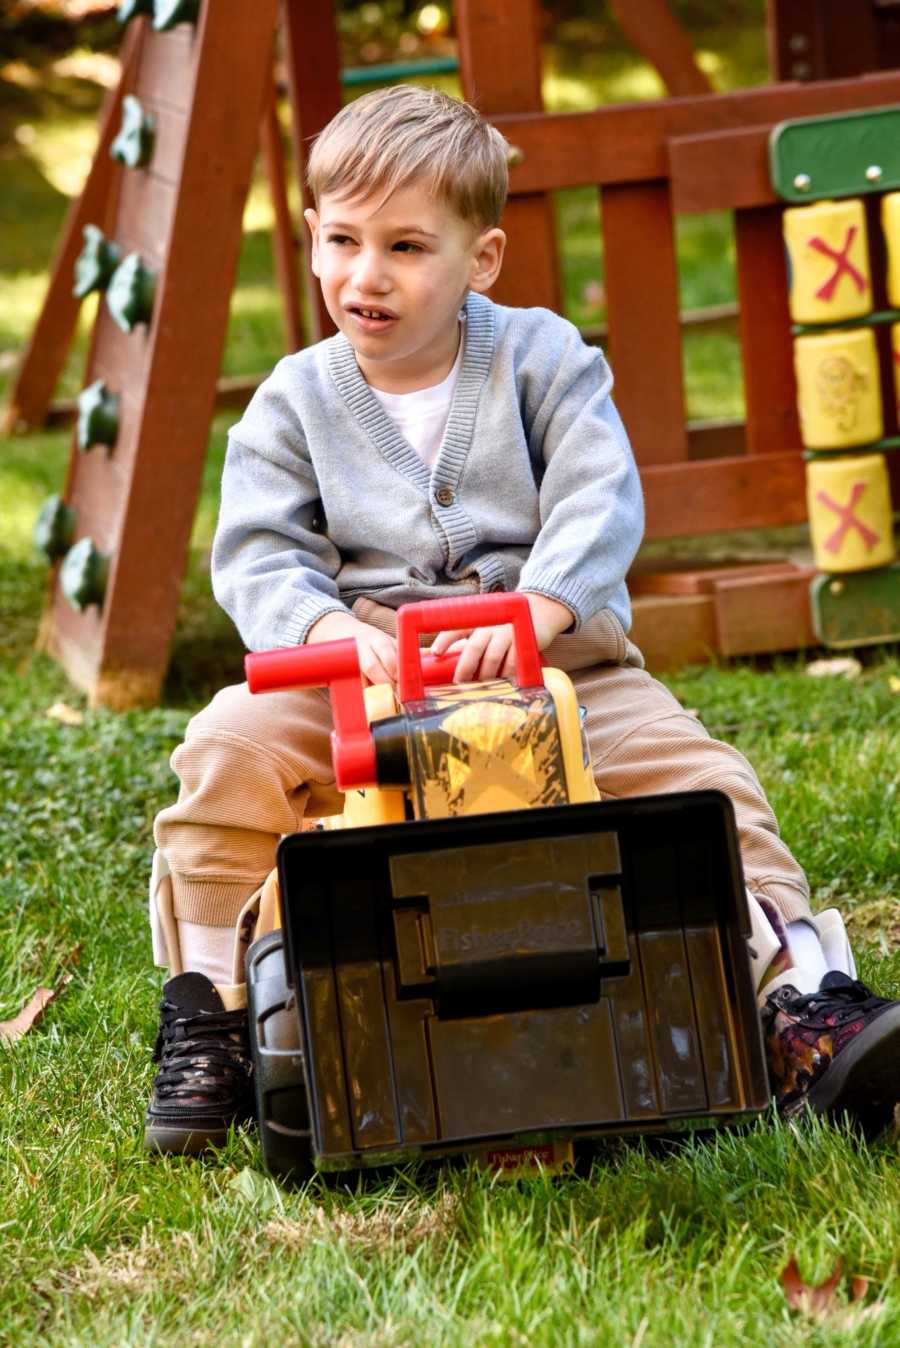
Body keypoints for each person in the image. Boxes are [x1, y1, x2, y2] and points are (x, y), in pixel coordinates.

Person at [144, 85, 900, 1154]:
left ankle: (798, 997)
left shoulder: (542, 357)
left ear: (480, 259)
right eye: (346, 240)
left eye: (407, 246)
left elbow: (602, 493)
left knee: (705, 778)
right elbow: (259, 553)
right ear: (312, 235)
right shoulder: (292, 403)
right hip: (362, 681)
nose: (369, 275)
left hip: (560, 672)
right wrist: (322, 631)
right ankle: (212, 1012)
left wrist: (544, 605)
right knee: (223, 749)